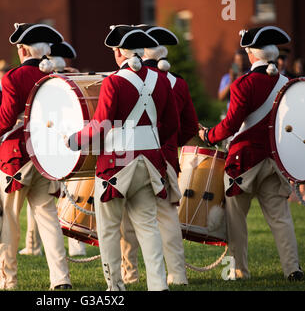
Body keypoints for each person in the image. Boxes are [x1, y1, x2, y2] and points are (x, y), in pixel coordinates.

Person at [67, 25, 179, 291]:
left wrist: (74, 140)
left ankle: (115, 287)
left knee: (108, 230)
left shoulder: (114, 81)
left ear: (118, 52)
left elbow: (101, 125)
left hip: (116, 166)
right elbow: (171, 124)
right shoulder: (161, 79)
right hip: (151, 163)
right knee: (148, 226)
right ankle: (158, 285)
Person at [0, 23, 72, 290]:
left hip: (17, 157)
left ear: (23, 49)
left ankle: (8, 281)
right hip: (46, 157)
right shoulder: (58, 77)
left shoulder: (14, 77)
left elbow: (3, 122)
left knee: (9, 223)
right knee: (49, 220)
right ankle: (61, 280)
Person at [199, 26, 303, 281]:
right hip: (274, 159)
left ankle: (238, 271)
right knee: (281, 219)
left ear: (252, 55)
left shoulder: (243, 84)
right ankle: (293, 269)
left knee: (236, 220)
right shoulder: (287, 84)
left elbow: (231, 126)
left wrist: (207, 135)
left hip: (243, 163)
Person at [117, 25, 199, 286]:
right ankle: (177, 274)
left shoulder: (124, 78)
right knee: (167, 216)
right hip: (164, 158)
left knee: (127, 220)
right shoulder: (177, 82)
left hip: (128, 158)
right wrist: (167, 144)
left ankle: (129, 275)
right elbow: (188, 126)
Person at [20, 41, 85, 257]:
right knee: (68, 196)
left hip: (50, 144)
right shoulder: (70, 81)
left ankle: (33, 245)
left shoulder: (48, 82)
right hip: (65, 143)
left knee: (43, 201)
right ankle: (76, 244)